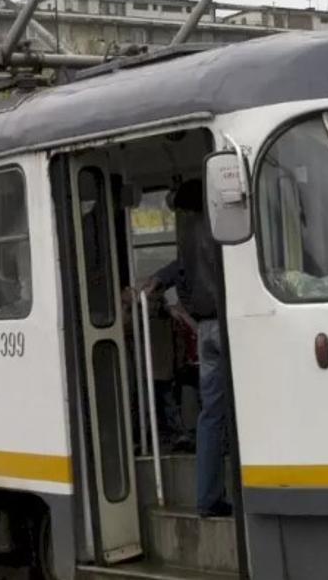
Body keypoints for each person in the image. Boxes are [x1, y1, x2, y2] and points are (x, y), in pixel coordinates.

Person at [135, 179, 229, 518]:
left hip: (204, 327)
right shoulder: (224, 225)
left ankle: (207, 498)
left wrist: (158, 280)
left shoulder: (188, 231)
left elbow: (180, 269)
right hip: (229, 323)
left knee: (210, 415)